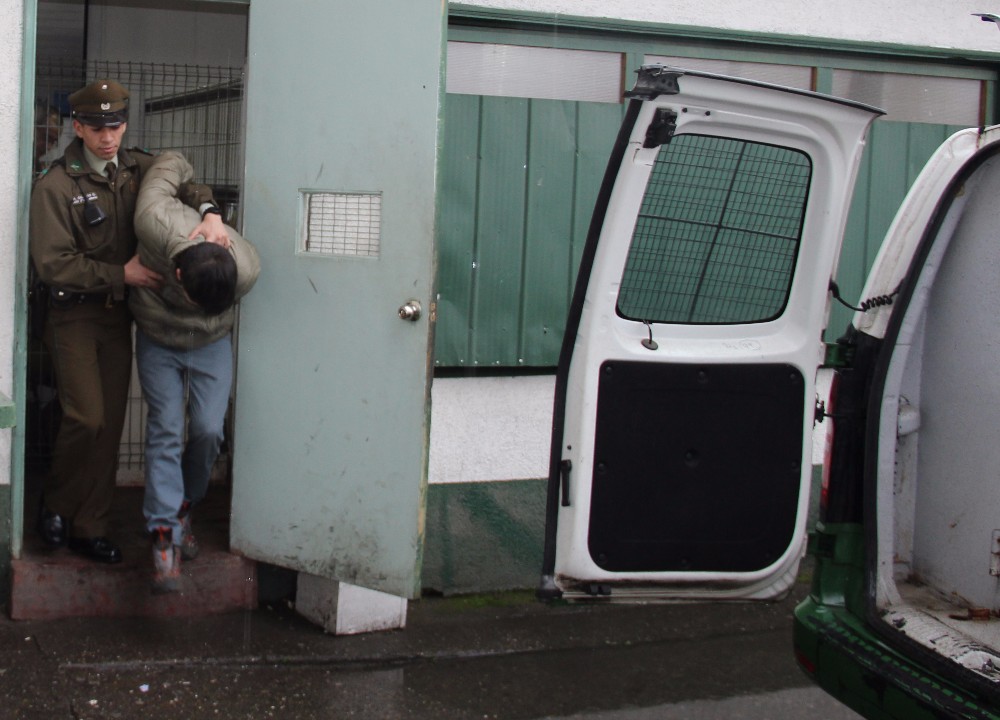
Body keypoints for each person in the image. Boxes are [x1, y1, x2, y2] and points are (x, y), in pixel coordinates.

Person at [29, 79, 228, 563]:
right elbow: (53, 263)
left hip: (120, 317)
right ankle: (55, 503)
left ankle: (89, 525)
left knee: (111, 424)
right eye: (97, 127)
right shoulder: (56, 185)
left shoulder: (138, 167)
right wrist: (122, 272)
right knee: (86, 417)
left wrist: (210, 212)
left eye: (115, 125)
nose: (108, 137)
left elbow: (183, 176)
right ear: (78, 127)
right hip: (74, 315)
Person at [130, 150, 260, 593]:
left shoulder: (246, 269)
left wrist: (214, 215)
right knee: (165, 427)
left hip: (210, 344)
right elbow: (172, 161)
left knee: (208, 430)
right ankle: (164, 534)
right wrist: (206, 208)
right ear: (177, 273)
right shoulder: (154, 219)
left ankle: (185, 506)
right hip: (158, 337)